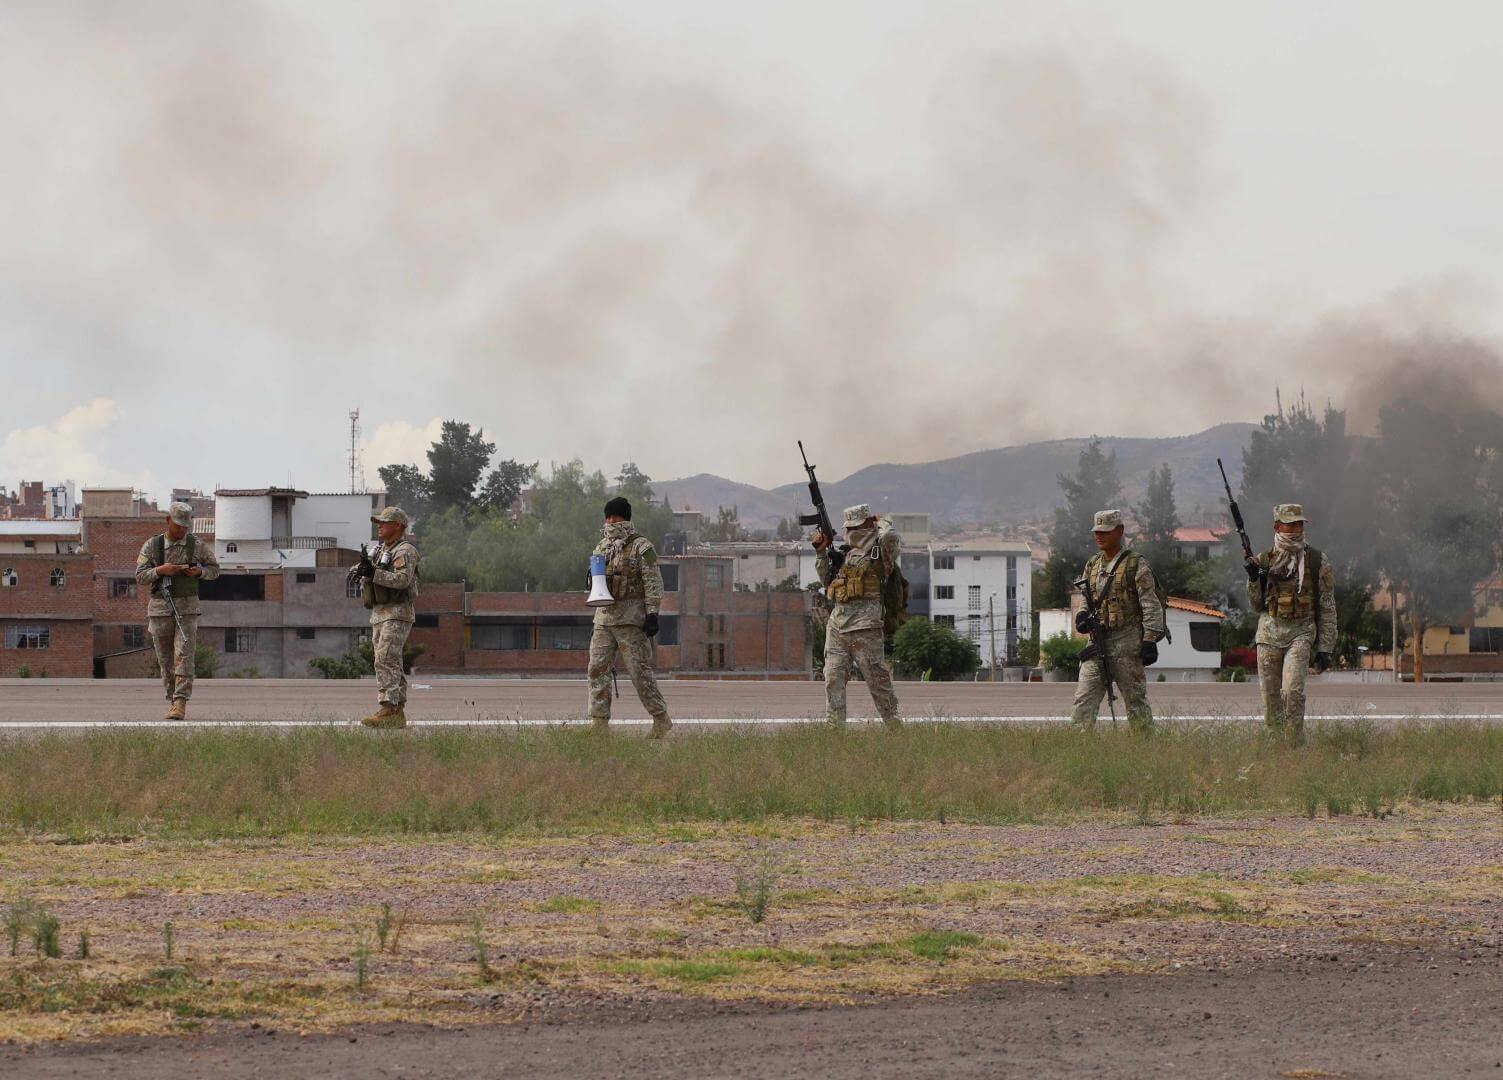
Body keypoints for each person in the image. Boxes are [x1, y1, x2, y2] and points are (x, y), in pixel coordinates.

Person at [1245, 503, 1336, 745]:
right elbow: (1256, 605)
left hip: (1301, 632)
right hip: (1269, 634)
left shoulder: (1317, 561)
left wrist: (1326, 648)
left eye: (1299, 523)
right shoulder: (1264, 560)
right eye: (1290, 523)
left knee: (1292, 692)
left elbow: (1327, 606)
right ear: (1277, 526)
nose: (1296, 528)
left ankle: (1294, 745)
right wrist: (1254, 579)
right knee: (1271, 698)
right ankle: (1276, 746)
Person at [1069, 509, 1165, 733]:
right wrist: (1082, 615)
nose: (1099, 536)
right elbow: (1087, 598)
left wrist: (1150, 640)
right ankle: (1075, 749)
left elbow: (1151, 604)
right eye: (1097, 531)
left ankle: (1145, 748)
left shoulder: (1135, 565)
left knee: (1136, 703)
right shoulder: (1092, 565)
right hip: (1097, 643)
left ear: (1119, 531)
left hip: (1127, 643)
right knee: (1084, 700)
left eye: (1105, 531)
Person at [586, 497, 672, 737]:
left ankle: (661, 718)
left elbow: (653, 581)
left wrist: (653, 613)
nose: (611, 521)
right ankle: (599, 723)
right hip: (604, 618)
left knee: (639, 672)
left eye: (615, 516)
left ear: (626, 518)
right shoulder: (602, 547)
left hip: (632, 620)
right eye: (608, 517)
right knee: (597, 669)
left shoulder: (642, 547)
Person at [814, 503, 901, 728]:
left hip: (866, 628)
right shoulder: (844, 554)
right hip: (837, 627)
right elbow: (827, 583)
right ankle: (834, 731)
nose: (852, 533)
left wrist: (880, 521)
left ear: (869, 524)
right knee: (833, 679)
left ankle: (894, 727)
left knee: (878, 683)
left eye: (857, 527)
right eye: (848, 528)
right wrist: (821, 553)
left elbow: (890, 534)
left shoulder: (880, 551)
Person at [135, 502, 220, 720]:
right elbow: (140, 576)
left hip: (187, 609)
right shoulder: (152, 546)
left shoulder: (196, 545)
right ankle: (172, 699)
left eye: (185, 526)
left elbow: (215, 569)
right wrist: (161, 570)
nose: (181, 530)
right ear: (168, 521)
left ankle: (181, 702)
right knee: (165, 660)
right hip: (160, 610)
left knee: (184, 655)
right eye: (178, 525)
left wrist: (199, 572)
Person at [354, 507, 420, 729]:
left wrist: (373, 574)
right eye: (378, 522)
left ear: (398, 526)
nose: (379, 525)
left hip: (397, 613)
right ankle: (396, 711)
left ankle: (388, 709)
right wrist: (360, 571)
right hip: (380, 613)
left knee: (386, 659)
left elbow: (402, 580)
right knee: (388, 661)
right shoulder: (380, 550)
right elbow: (369, 573)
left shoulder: (405, 551)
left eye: (384, 522)